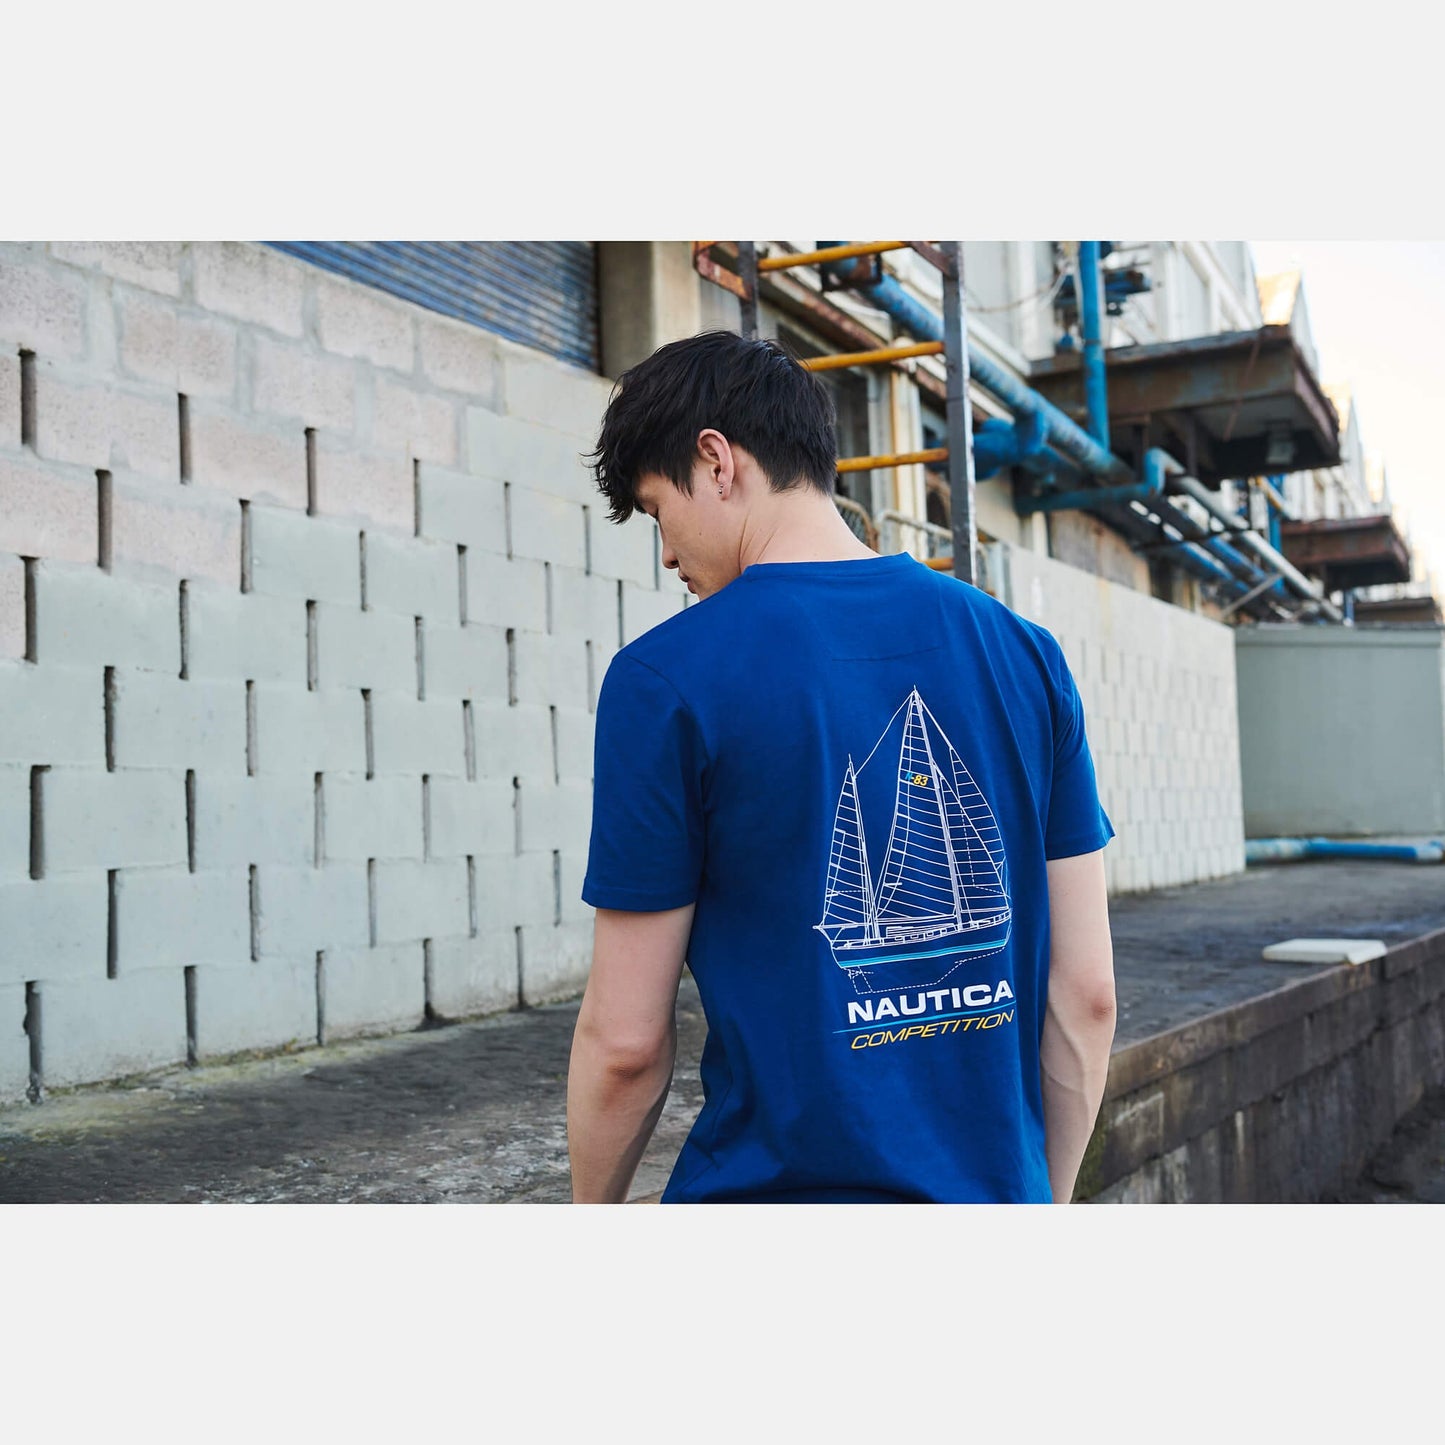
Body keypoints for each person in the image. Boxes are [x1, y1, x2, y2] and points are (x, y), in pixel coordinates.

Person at [566, 330, 1117, 1204]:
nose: (666, 553)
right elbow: (1085, 995)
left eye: (657, 511)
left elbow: (626, 1045)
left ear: (715, 461)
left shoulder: (663, 679)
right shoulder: (1025, 653)